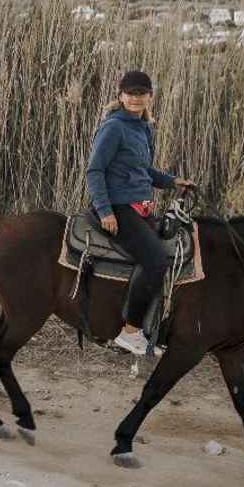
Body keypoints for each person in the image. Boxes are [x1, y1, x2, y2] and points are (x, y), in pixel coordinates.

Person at [85, 69, 196, 357]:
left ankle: (155, 328)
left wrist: (172, 182)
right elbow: (95, 170)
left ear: (149, 96)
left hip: (140, 208)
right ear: (120, 96)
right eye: (130, 93)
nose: (135, 98)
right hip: (117, 208)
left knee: (172, 253)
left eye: (141, 93)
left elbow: (142, 170)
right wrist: (105, 211)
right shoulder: (114, 127)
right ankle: (130, 332)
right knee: (156, 261)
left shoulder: (144, 128)